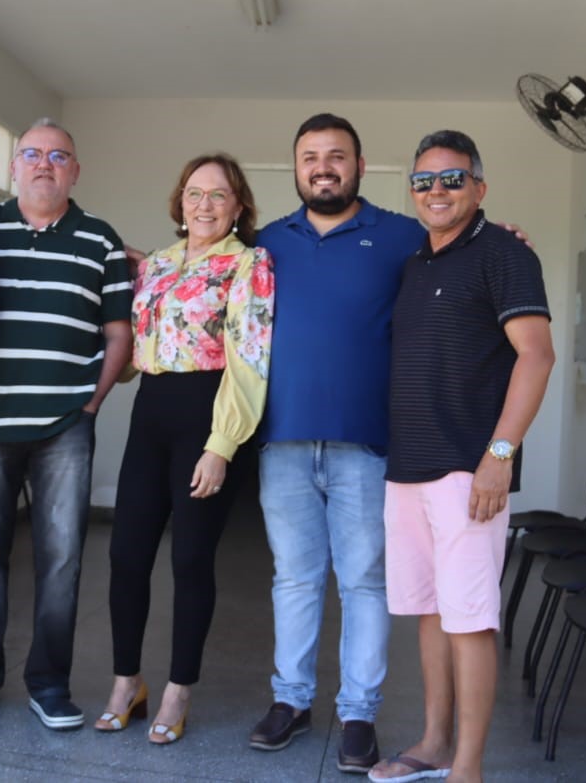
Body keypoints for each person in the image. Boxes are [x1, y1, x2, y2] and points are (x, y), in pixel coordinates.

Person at [370, 131, 554, 783]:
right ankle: (433, 743)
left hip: (468, 471)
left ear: (479, 186)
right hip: (408, 466)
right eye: (424, 181)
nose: (437, 191)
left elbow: (537, 354)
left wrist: (500, 455)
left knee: (470, 618)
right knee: (429, 610)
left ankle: (467, 769)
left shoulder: (503, 252)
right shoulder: (416, 263)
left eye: (452, 178)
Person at [246, 113, 426, 772]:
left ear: (359, 164)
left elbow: (461, 259)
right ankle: (291, 701)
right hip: (284, 439)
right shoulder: (265, 243)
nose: (323, 166)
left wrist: (506, 239)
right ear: (296, 167)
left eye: (337, 155)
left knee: (364, 582)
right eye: (311, 156)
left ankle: (358, 713)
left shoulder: (403, 236)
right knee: (293, 578)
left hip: (366, 442)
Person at [0, 118, 134, 731]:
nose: (45, 164)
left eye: (59, 156)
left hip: (65, 427)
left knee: (61, 559)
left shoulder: (101, 241)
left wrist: (91, 403)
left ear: (75, 170)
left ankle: (49, 683)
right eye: (32, 153)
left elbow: (118, 333)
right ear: (14, 166)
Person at [96, 154, 274, 745]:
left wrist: (221, 445)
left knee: (191, 560)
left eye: (218, 195)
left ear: (238, 206)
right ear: (180, 202)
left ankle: (178, 690)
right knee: (126, 554)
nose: (204, 204)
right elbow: (134, 349)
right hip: (150, 413)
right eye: (194, 193)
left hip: (208, 415)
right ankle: (127, 682)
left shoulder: (249, 264)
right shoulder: (157, 266)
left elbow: (250, 360)